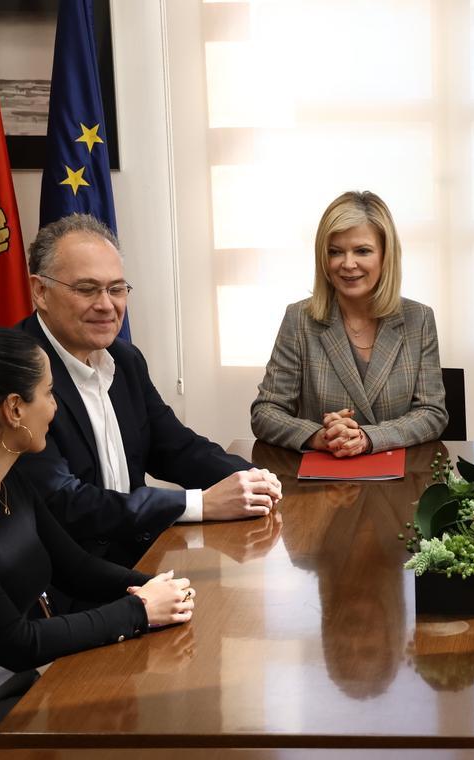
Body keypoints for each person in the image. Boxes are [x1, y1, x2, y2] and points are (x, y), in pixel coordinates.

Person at [0, 328, 196, 760]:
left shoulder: (11, 480)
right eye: (48, 393)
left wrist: (159, 587)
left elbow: (77, 569)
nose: (55, 407)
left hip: (4, 687)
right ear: (13, 409)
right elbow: (18, 642)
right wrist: (140, 611)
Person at [16, 213, 282, 568]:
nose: (107, 305)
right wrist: (200, 503)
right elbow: (65, 502)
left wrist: (253, 479)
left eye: (116, 288)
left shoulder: (124, 359)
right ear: (41, 291)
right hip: (63, 582)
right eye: (87, 289)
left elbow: (175, 447)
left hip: (135, 563)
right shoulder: (17, 371)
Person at [250, 190, 447, 454]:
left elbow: (432, 414)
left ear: (385, 255)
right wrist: (319, 436)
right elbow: (265, 412)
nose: (348, 264)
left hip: (398, 482)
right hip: (322, 485)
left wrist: (367, 437)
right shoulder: (299, 319)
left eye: (362, 251)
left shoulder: (418, 319)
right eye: (335, 252)